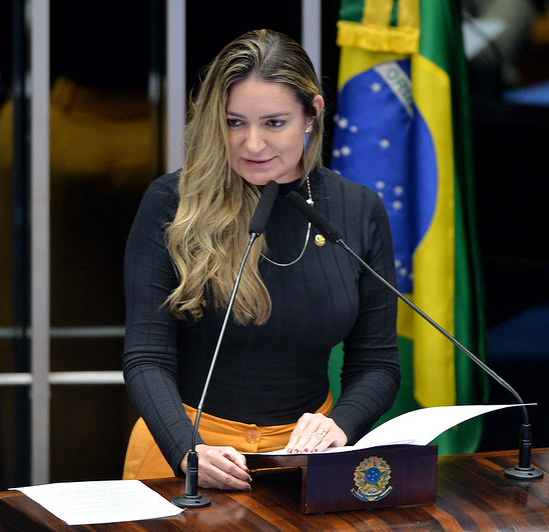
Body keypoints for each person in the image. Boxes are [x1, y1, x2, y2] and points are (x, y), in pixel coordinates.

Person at [122, 29, 401, 491]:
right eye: (235, 123)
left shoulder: (357, 209)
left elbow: (377, 363)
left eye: (274, 123)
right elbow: (146, 356)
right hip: (189, 456)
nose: (252, 144)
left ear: (312, 113)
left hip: (306, 458)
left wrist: (342, 426)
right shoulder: (172, 202)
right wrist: (186, 448)